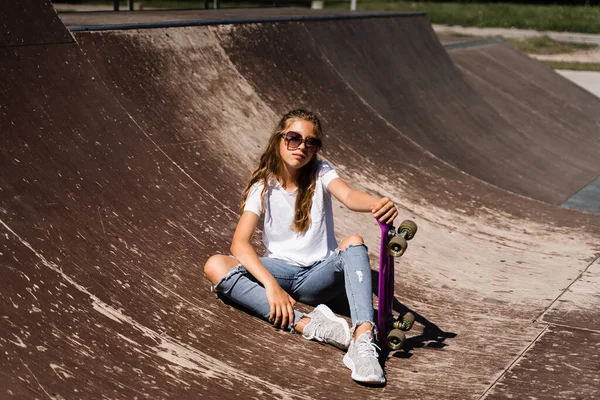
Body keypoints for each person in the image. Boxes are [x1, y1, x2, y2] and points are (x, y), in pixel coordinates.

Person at [204, 109, 398, 384]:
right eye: (294, 138)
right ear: (279, 140)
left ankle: (363, 340)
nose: (302, 147)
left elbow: (349, 196)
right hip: (280, 271)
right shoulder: (263, 184)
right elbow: (239, 243)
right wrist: (272, 286)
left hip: (318, 275)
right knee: (215, 265)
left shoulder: (321, 172)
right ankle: (309, 324)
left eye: (311, 142)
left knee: (354, 240)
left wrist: (377, 204)